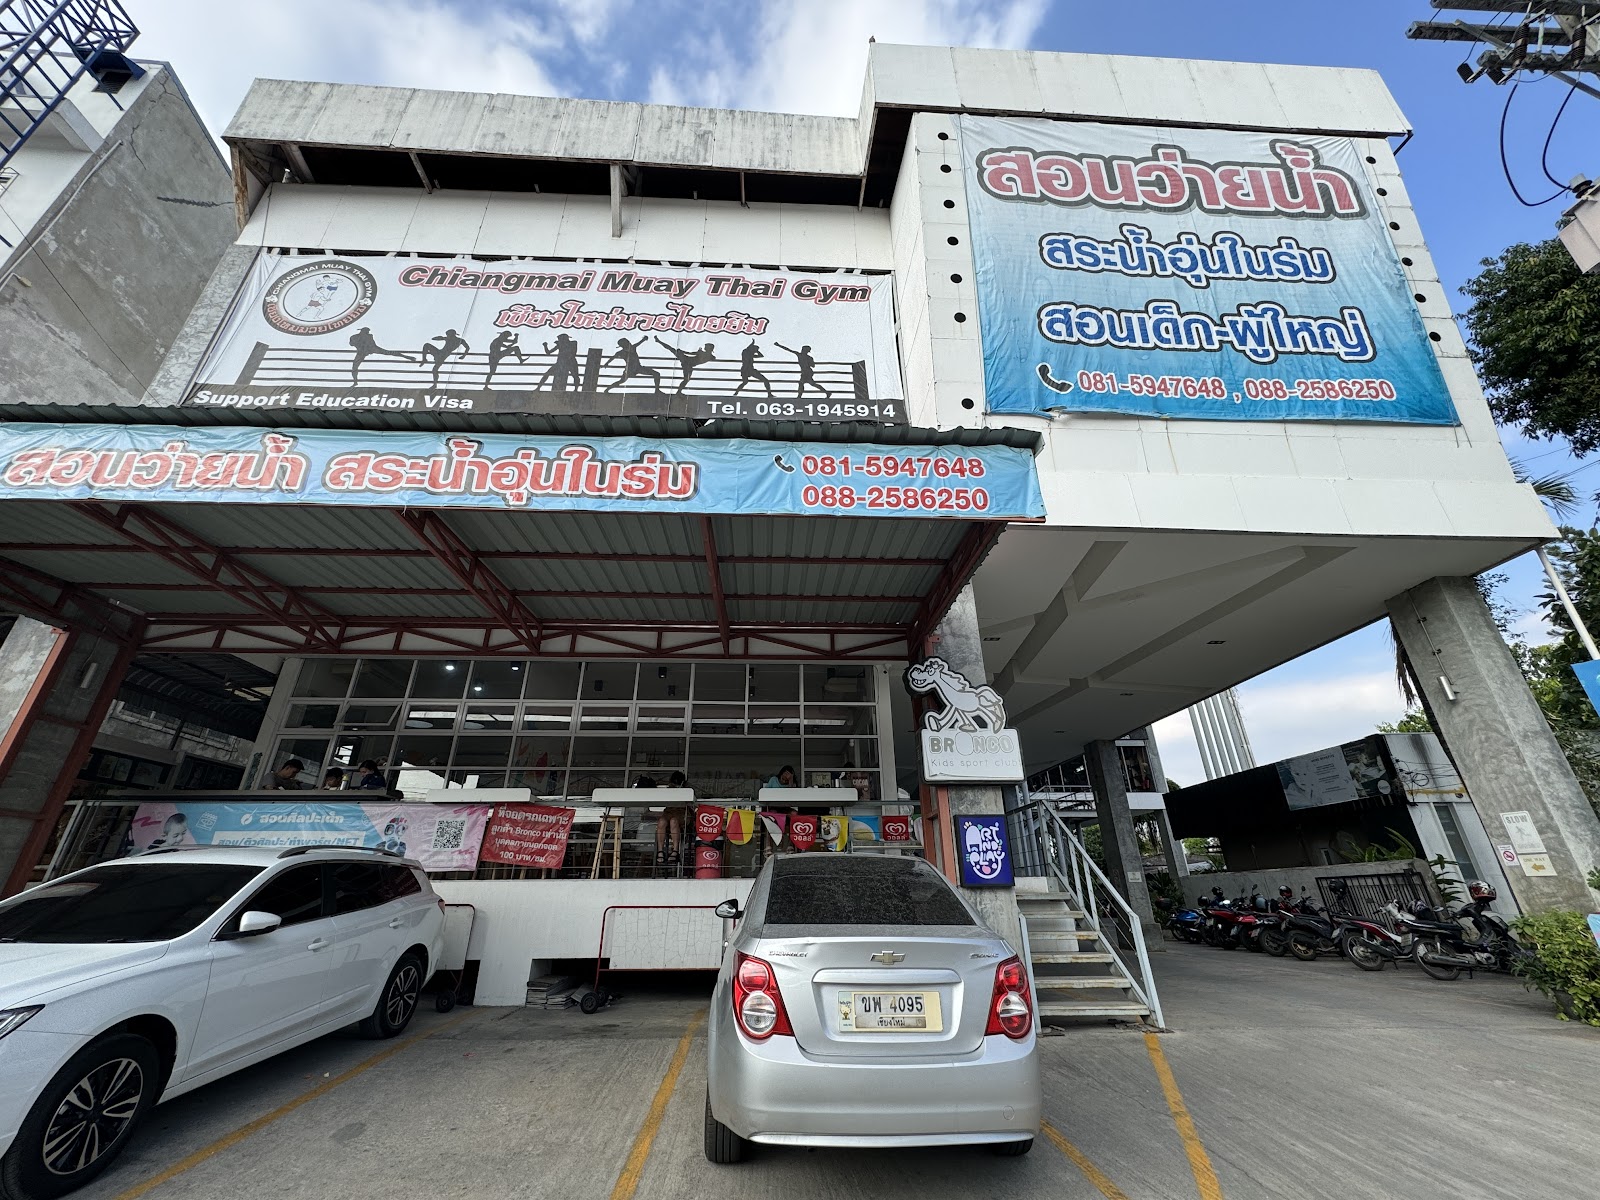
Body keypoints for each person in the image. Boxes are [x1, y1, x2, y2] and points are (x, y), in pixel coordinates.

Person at [348, 326, 412, 383]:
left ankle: (405, 356)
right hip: (362, 352)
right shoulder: (355, 337)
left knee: (388, 352)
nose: (367, 333)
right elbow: (351, 343)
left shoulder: (368, 336)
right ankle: (355, 381)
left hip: (370, 349)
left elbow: (372, 345)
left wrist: (369, 349)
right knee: (354, 366)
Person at [656, 770, 690, 867]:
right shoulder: (668, 789)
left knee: (673, 821)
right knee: (661, 822)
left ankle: (675, 851)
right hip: (669, 812)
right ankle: (660, 851)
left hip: (682, 813)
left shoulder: (687, 790)